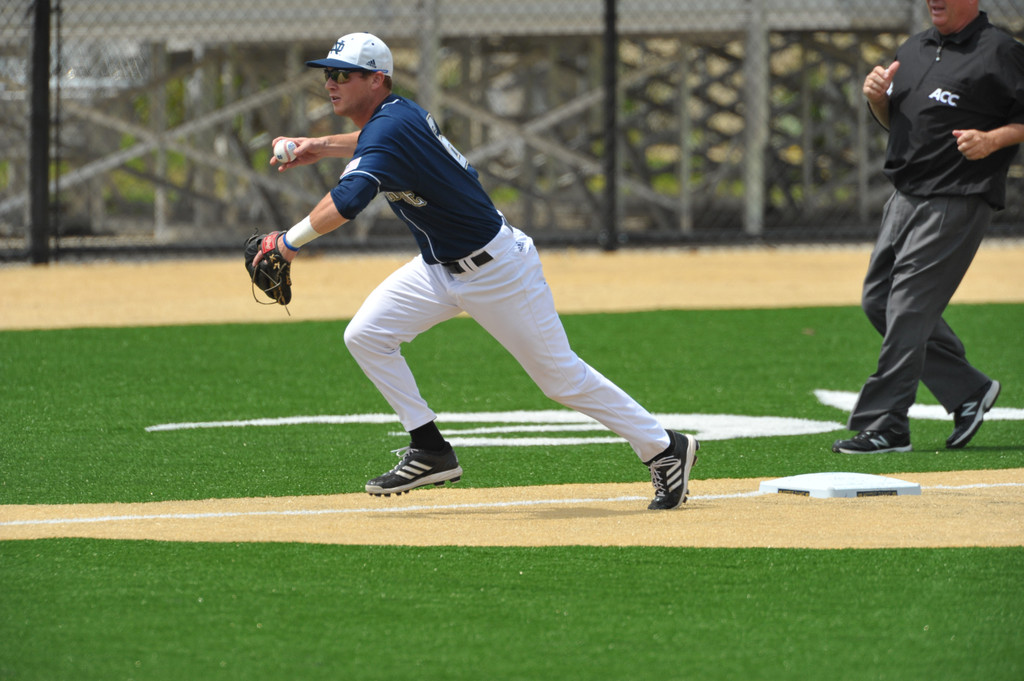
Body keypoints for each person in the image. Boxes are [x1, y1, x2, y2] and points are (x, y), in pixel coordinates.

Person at [255, 32, 698, 509]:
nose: (331, 83)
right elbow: (367, 142)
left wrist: (288, 242)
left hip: (498, 271)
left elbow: (347, 201)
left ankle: (664, 448)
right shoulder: (395, 117)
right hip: (437, 269)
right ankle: (430, 449)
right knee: (366, 335)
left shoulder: (389, 130)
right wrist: (317, 145)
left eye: (344, 74)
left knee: (560, 379)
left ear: (377, 79)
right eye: (328, 74)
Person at [832, 1, 1024, 454]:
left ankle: (887, 424)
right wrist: (877, 98)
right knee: (879, 301)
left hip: (956, 197)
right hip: (904, 197)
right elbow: (893, 122)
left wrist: (992, 139)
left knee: (909, 307)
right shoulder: (915, 48)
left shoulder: (999, 50)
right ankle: (967, 390)